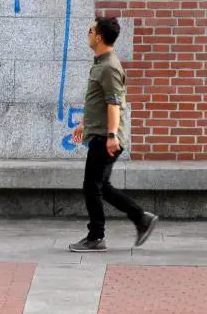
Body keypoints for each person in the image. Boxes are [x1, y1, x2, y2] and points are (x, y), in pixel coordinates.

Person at [68, 16, 158, 253]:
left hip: (106, 138)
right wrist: (84, 124)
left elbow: (114, 103)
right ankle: (141, 218)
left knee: (91, 185)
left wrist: (111, 135)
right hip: (100, 133)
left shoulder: (109, 67)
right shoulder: (101, 63)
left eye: (90, 30)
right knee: (101, 185)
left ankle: (96, 236)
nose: (87, 33)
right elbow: (98, 100)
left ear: (98, 37)